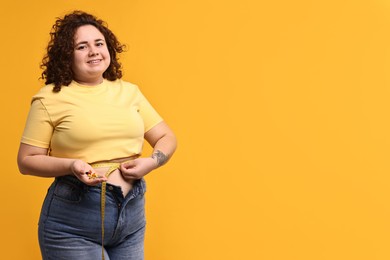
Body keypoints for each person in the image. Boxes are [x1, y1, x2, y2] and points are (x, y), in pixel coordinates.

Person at [17, 10, 177, 260]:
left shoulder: (129, 92)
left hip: (131, 218)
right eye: (82, 46)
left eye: (99, 43)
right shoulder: (49, 98)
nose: (93, 51)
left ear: (109, 49)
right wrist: (72, 166)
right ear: (66, 56)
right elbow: (26, 160)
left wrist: (152, 161)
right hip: (72, 225)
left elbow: (166, 137)